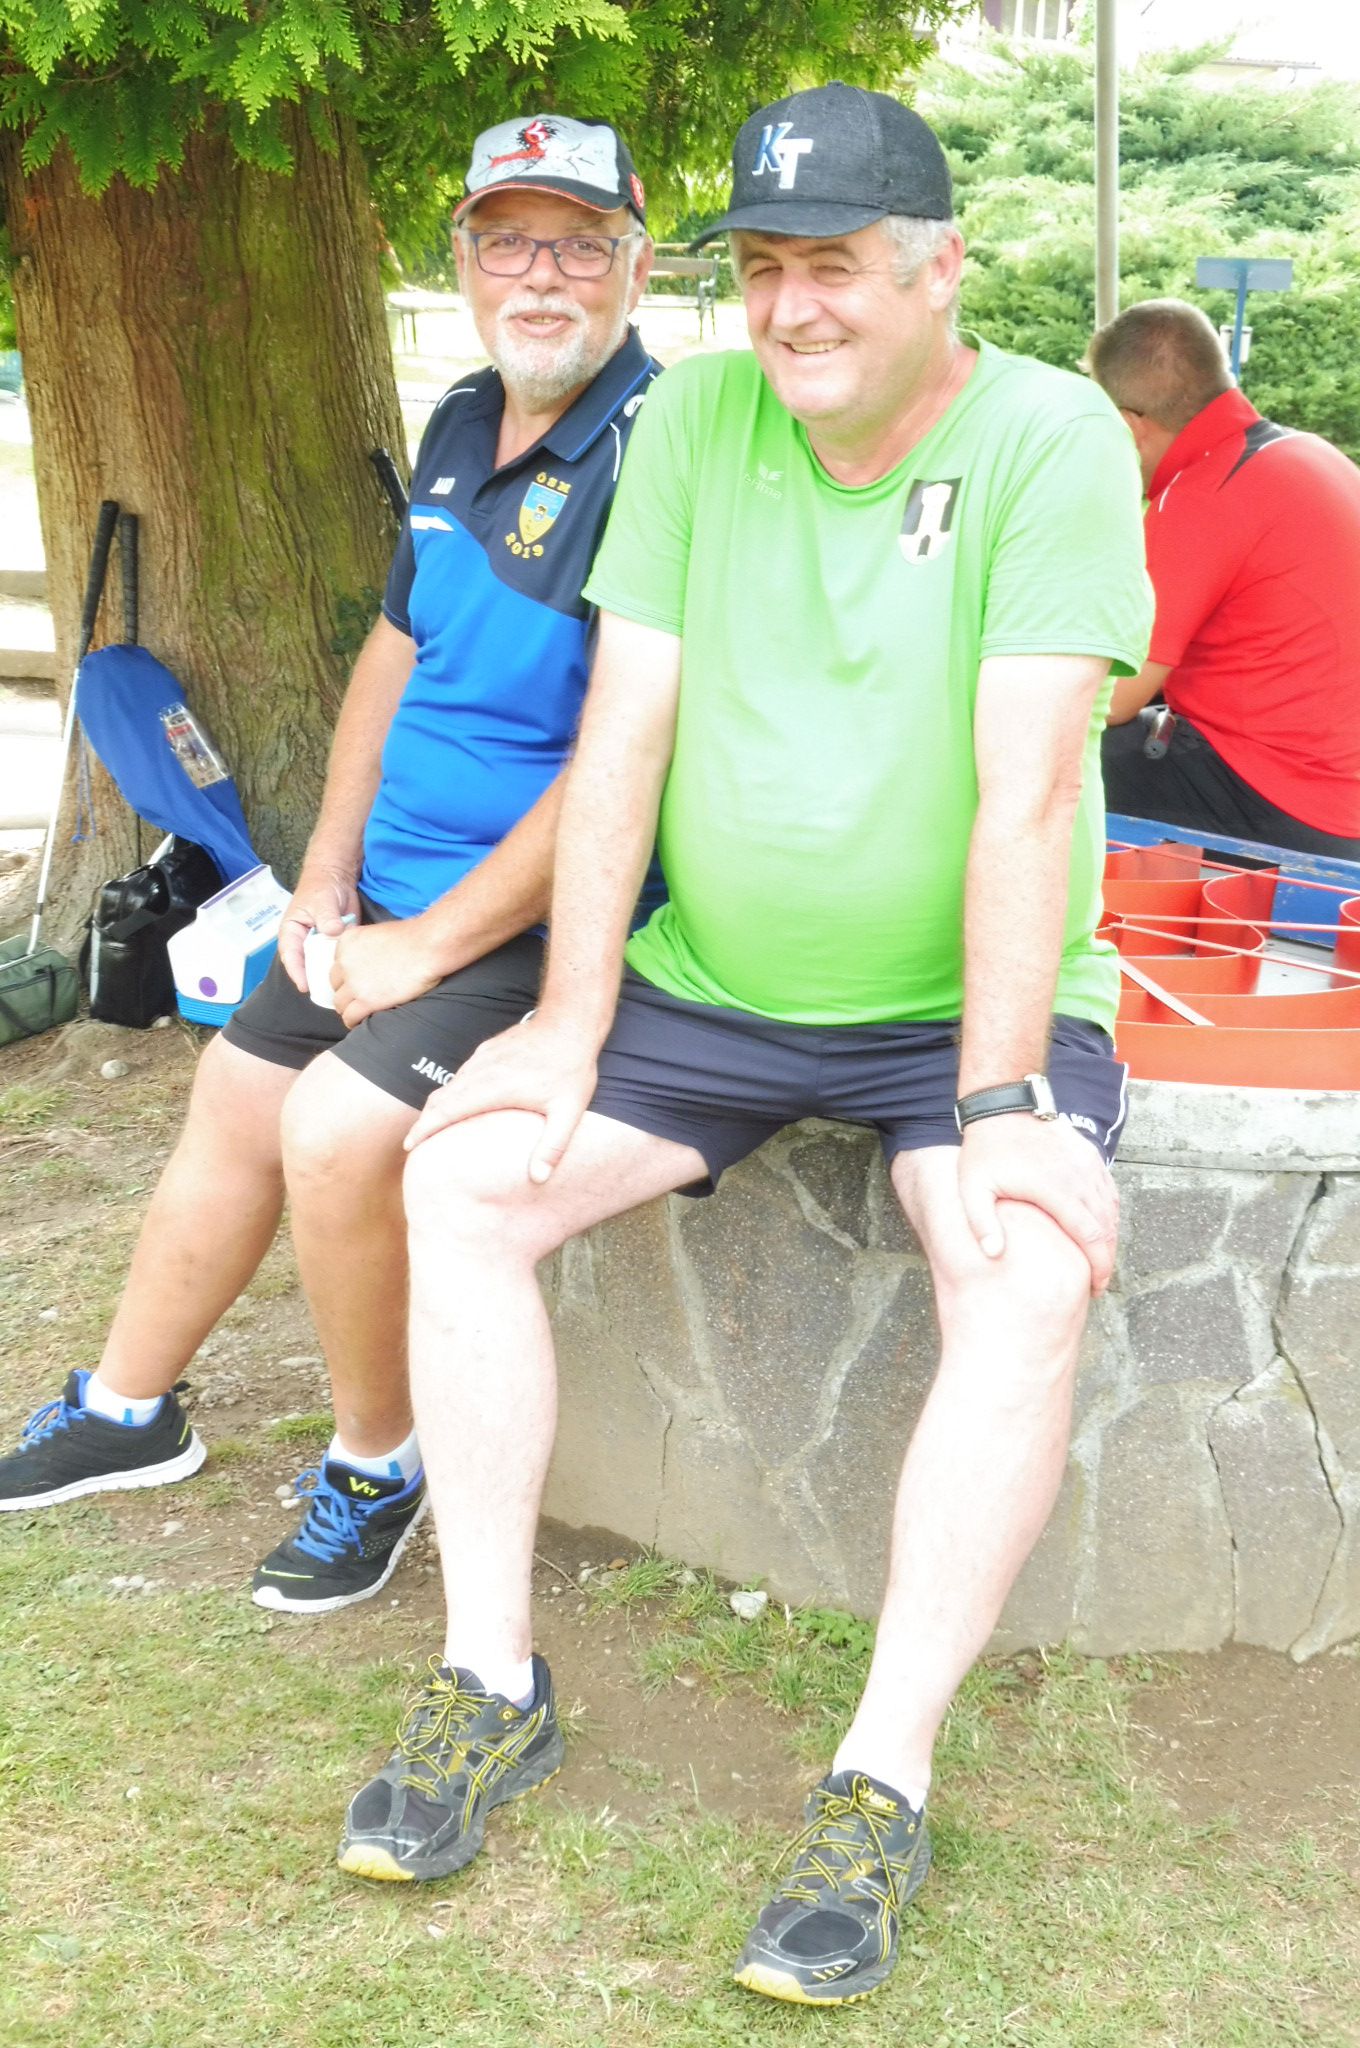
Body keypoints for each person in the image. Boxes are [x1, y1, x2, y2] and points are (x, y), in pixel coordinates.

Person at [335, 84, 1152, 2007]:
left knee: (1028, 1267)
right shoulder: (699, 415)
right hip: (707, 989)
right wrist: (566, 1018)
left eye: (834, 265)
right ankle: (487, 1677)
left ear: (939, 271)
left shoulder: (1049, 437)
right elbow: (625, 730)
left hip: (962, 1008)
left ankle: (882, 1776)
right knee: (460, 1176)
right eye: (765, 267)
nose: (792, 307)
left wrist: (1004, 1096)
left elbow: (1030, 789)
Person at [0, 114, 660, 1619]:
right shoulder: (463, 418)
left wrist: (424, 945)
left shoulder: (659, 454)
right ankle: (128, 1407)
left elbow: (627, 755)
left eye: (579, 243)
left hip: (535, 921)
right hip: (390, 894)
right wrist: (323, 876)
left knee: (335, 1132)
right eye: (508, 239)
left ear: (636, 259)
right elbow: (392, 654)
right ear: (462, 259)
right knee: (236, 1094)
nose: (541, 275)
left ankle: (379, 1459)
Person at [1089, 297, 1360, 857]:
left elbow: (1111, 700)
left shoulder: (1204, 495)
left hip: (1299, 802)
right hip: (1333, 775)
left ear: (1129, 425)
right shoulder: (1308, 453)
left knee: (1037, 754)